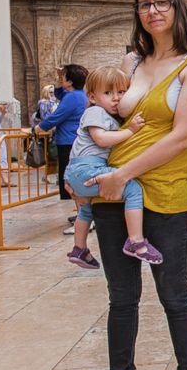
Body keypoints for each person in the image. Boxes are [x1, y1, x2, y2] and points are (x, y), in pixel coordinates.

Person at [77, 0, 187, 370]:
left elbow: (183, 135)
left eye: (160, 3)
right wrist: (88, 174)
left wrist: (125, 172)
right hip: (114, 193)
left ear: (177, 7)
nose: (152, 11)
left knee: (174, 293)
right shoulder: (131, 62)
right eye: (144, 5)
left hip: (167, 193)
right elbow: (105, 114)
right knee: (122, 297)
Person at [63, 66, 157, 270]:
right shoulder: (94, 112)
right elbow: (102, 139)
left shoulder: (106, 114)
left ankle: (79, 249)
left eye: (121, 92)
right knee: (132, 189)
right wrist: (131, 130)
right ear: (92, 97)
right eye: (108, 93)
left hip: (78, 170)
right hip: (88, 168)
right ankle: (136, 241)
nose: (116, 98)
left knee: (86, 210)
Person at [34, 64, 88, 233]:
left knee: (73, 181)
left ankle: (84, 218)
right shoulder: (77, 94)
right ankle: (83, 215)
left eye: (63, 76)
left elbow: (57, 116)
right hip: (72, 140)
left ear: (70, 81)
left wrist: (38, 128)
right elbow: (59, 93)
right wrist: (59, 78)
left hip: (69, 142)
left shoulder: (73, 97)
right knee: (73, 180)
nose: (60, 78)